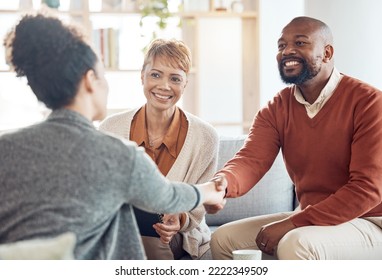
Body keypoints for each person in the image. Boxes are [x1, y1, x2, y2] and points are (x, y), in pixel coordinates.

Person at [0, 12, 226, 260]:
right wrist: (209, 191)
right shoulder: (116, 151)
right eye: (103, 76)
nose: (163, 85)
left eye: (174, 78)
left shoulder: (6, 147)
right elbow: (167, 195)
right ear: (90, 82)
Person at [209, 16, 382, 260]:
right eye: (281, 46)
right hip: (315, 217)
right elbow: (250, 159)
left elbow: (367, 190)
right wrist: (221, 183)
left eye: (300, 43)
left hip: (372, 220)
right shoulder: (276, 108)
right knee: (224, 239)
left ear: (327, 52)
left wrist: (295, 222)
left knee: (296, 242)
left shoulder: (369, 103)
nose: (287, 51)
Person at [99, 38, 219, 260]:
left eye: (175, 78)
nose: (164, 86)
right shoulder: (110, 128)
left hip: (173, 236)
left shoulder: (205, 137)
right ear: (142, 76)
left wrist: (179, 219)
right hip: (119, 228)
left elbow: (199, 205)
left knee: (150, 239)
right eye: (155, 74)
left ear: (185, 84)